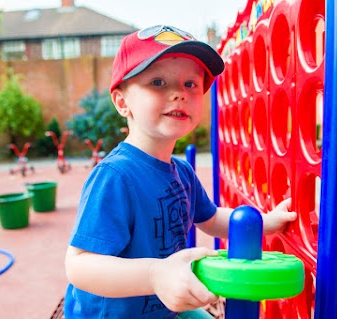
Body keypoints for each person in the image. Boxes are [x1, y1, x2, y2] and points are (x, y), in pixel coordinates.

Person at [64, 25, 297, 318]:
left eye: (191, 84)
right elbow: (79, 265)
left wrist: (265, 222)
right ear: (123, 102)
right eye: (158, 81)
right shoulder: (115, 176)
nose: (179, 94)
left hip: (164, 307)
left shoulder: (182, 172)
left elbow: (210, 218)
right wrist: (154, 275)